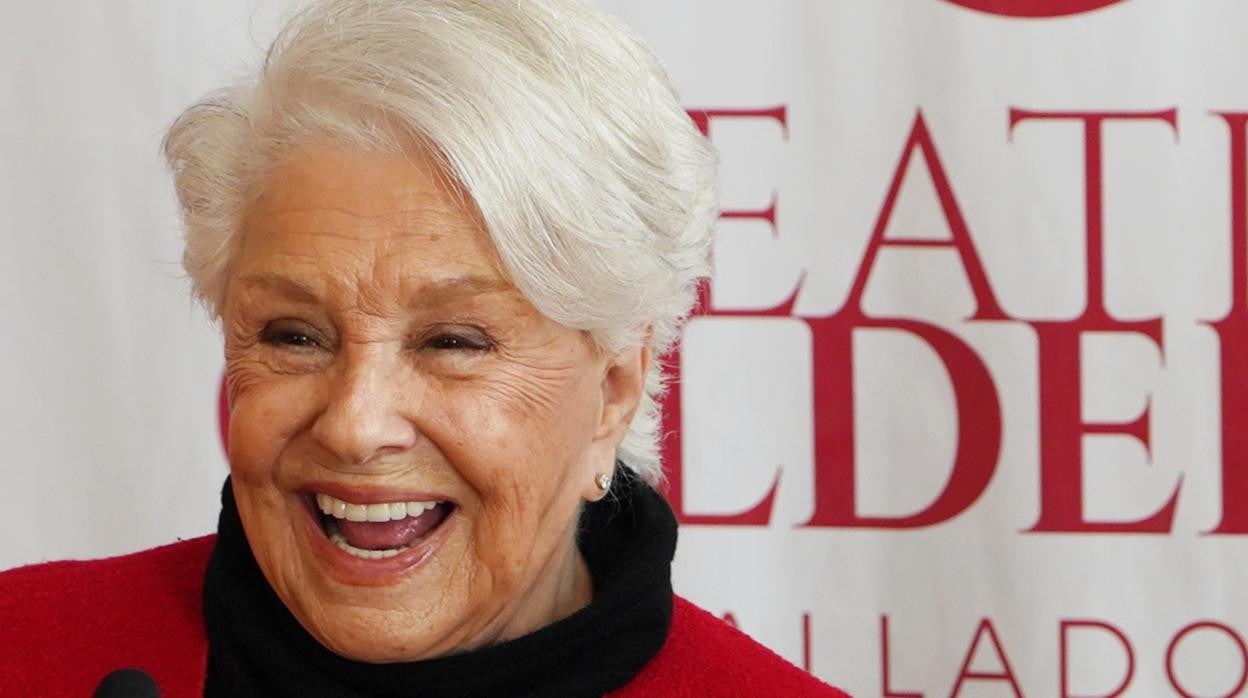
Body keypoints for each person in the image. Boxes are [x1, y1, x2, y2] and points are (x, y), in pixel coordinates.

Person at [0, 1, 848, 695]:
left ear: (615, 392)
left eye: (453, 342)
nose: (355, 426)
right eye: (295, 336)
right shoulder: (28, 653)